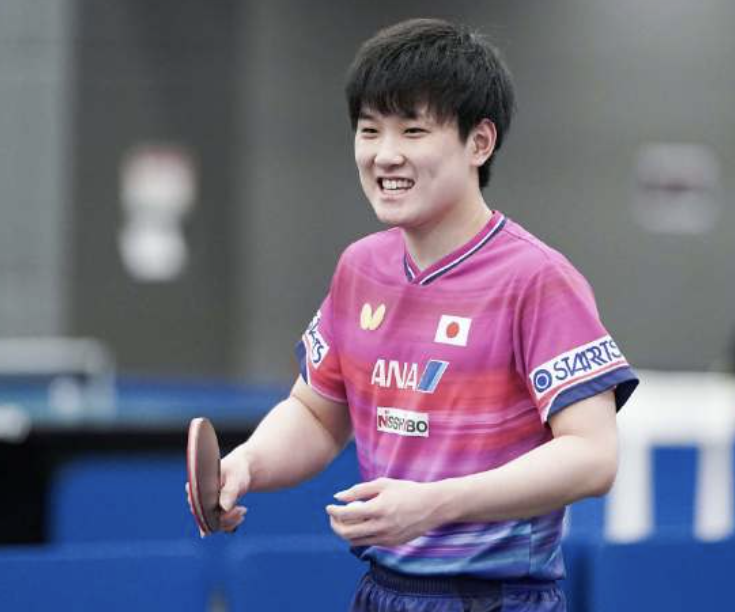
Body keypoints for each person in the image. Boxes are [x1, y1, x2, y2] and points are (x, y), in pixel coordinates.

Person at [210, 18, 639, 611]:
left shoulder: (537, 279)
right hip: (383, 592)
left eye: (413, 130)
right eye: (369, 130)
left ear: (479, 143)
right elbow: (316, 414)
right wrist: (247, 464)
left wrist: (436, 504)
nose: (385, 155)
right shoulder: (359, 268)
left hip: (498, 598)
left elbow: (592, 457)